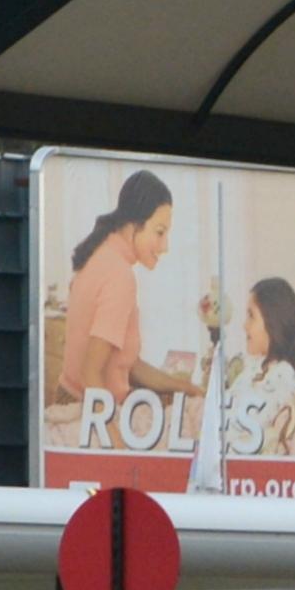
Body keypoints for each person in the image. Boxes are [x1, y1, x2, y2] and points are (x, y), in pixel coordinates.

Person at [58, 171, 194, 415]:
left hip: (74, 401)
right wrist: (117, 444)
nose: (165, 247)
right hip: (87, 413)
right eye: (160, 232)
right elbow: (90, 374)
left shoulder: (102, 253)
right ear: (134, 226)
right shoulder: (120, 276)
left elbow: (128, 364)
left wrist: (182, 386)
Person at [231, 278, 295, 458]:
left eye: (251, 316)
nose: (244, 325)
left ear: (273, 322)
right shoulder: (258, 366)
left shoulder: (283, 375)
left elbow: (247, 429)